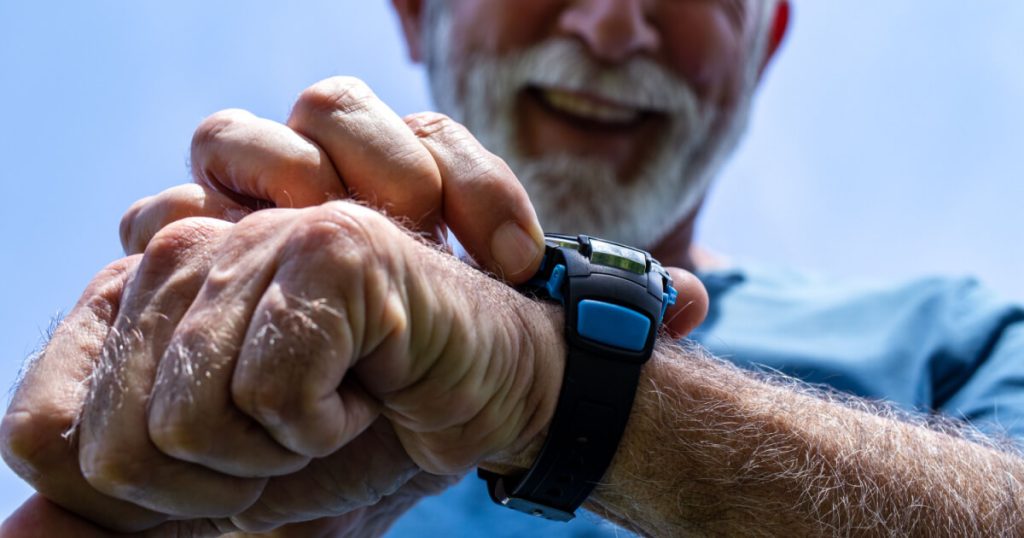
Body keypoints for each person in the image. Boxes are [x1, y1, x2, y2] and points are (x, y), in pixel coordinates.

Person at [3, 0, 1024, 536]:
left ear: (766, 41)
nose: (614, 27)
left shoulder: (954, 339)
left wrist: (552, 384)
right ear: (416, 9)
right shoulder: (250, 353)